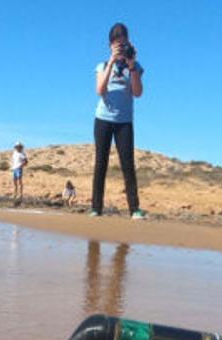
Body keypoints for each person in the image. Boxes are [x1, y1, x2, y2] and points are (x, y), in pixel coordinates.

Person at [91, 22, 146, 219]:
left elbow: (138, 93)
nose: (122, 48)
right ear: (110, 45)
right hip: (103, 119)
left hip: (124, 121)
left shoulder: (135, 66)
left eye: (124, 44)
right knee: (101, 163)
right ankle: (96, 208)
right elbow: (100, 90)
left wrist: (131, 66)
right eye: (117, 45)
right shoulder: (103, 65)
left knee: (128, 164)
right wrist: (112, 62)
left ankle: (134, 209)